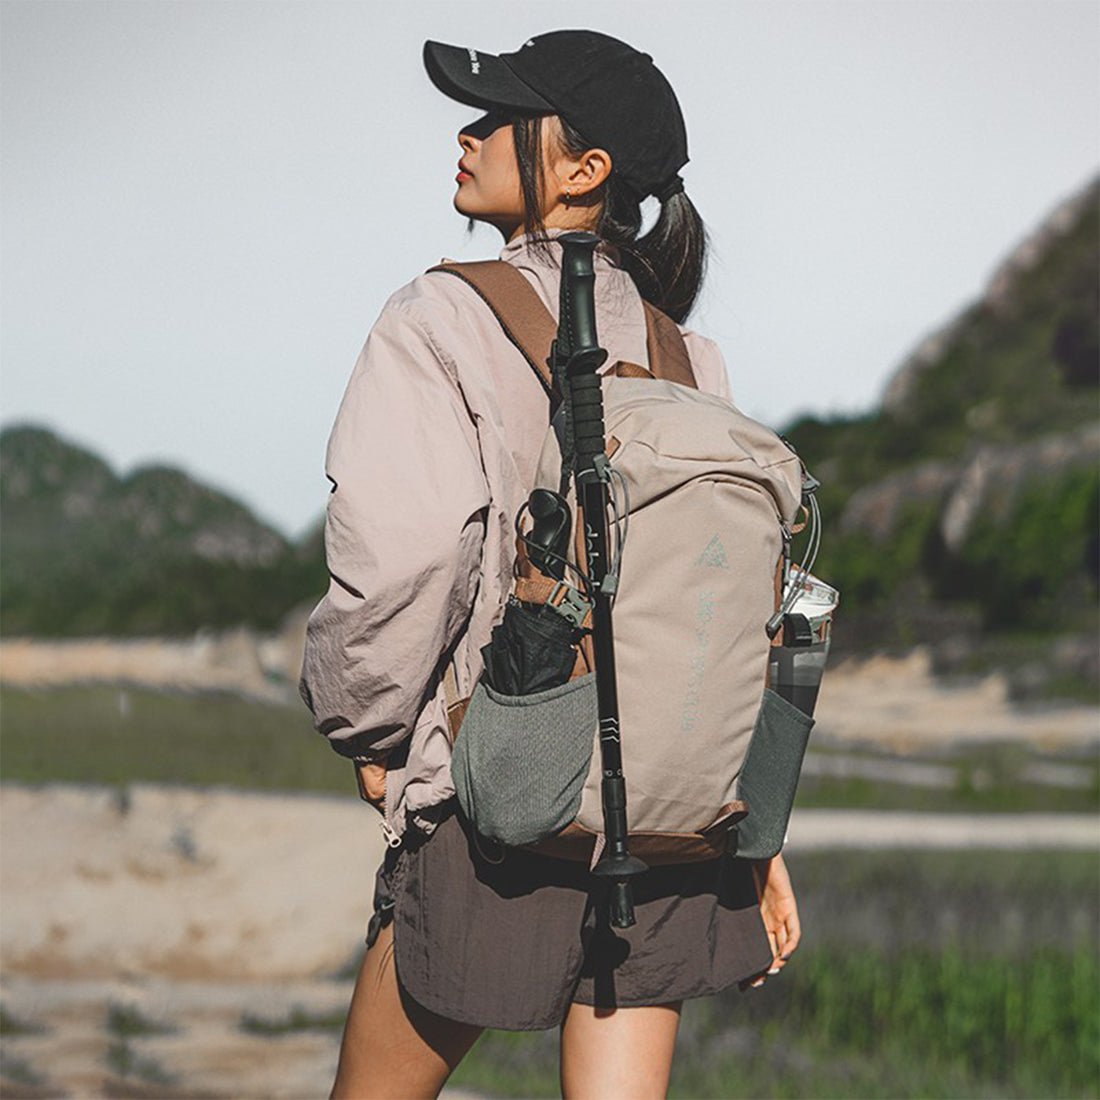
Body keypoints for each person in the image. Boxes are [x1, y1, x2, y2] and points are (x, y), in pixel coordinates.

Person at [299, 29, 802, 1100]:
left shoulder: (439, 317)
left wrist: (370, 727)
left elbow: (402, 560)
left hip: (501, 789)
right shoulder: (689, 356)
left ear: (584, 171)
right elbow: (722, 608)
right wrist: (752, 827)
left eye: (498, 116)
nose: (468, 132)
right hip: (670, 825)